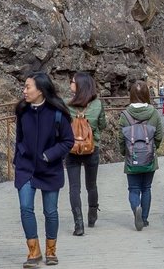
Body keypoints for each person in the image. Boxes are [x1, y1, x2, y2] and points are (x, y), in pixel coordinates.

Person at [14, 72, 74, 268]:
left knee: (51, 212)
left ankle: (51, 250)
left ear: (40, 90)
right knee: (25, 208)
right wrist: (19, 156)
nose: (24, 91)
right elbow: (19, 138)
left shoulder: (58, 113)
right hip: (26, 167)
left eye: (27, 87)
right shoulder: (22, 110)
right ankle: (33, 251)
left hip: (50, 168)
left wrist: (50, 155)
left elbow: (68, 141)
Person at [65, 72, 106, 236]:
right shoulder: (97, 105)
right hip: (91, 148)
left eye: (72, 82)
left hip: (72, 149)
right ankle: (92, 214)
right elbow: (102, 125)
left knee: (74, 188)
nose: (70, 84)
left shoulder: (66, 105)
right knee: (92, 185)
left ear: (79, 86)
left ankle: (78, 224)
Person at [118, 81, 164, 230]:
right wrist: (153, 149)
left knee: (133, 189)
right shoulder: (154, 113)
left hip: (132, 159)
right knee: (147, 188)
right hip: (149, 158)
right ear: (147, 95)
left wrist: (125, 153)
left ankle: (136, 208)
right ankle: (144, 219)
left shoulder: (125, 115)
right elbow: (158, 136)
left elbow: (121, 138)